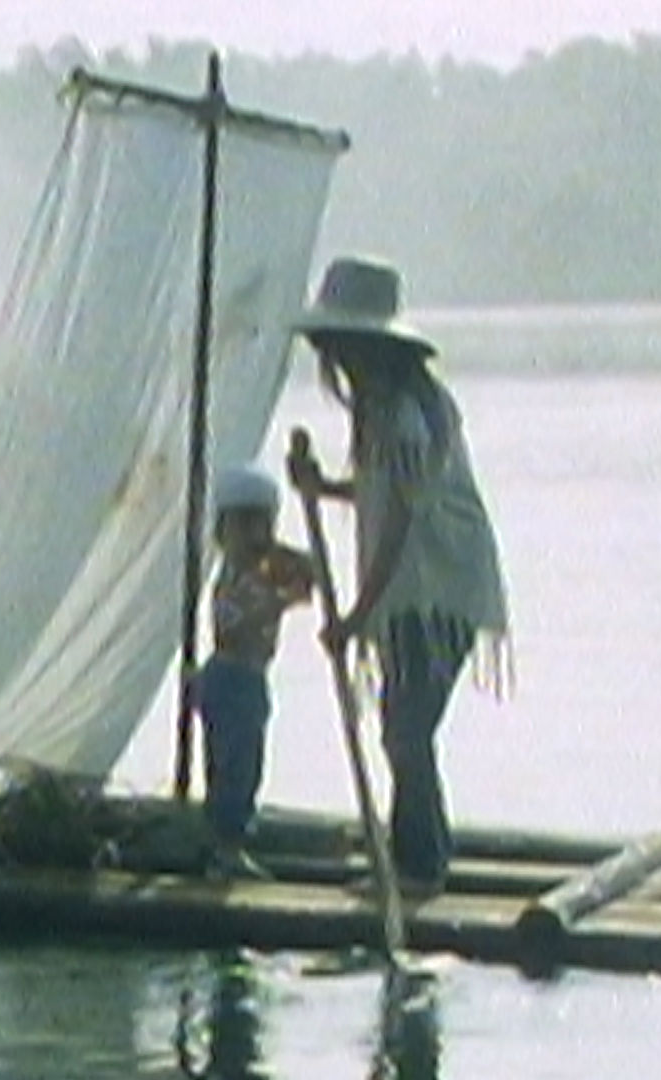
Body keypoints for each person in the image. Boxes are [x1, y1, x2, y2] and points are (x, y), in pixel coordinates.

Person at [288, 255, 510, 898]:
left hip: (441, 587)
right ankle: (418, 853)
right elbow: (380, 491)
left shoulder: (408, 412)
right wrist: (322, 487)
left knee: (405, 730)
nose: (336, 361)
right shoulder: (381, 408)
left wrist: (357, 616)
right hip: (416, 589)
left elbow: (400, 524)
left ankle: (419, 866)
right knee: (403, 727)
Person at [195, 463, 316, 880]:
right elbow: (233, 626)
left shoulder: (264, 568)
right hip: (230, 678)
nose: (254, 535)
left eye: (262, 524)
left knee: (247, 762)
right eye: (243, 525)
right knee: (234, 763)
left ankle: (230, 840)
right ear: (222, 533)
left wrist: (291, 563)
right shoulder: (233, 577)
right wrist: (280, 602)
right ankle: (224, 844)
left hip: (250, 679)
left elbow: (311, 574)